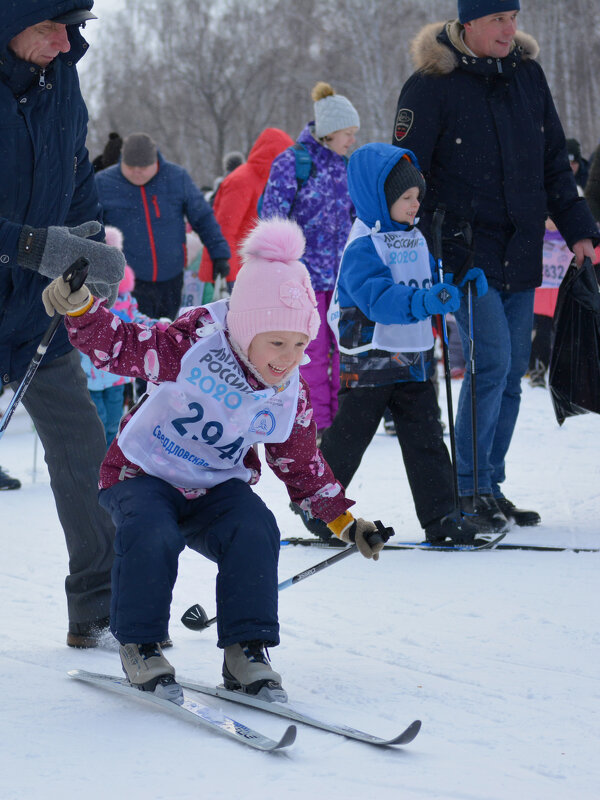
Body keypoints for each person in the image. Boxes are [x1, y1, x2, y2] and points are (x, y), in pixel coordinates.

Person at [42, 217, 385, 703]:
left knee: (255, 528)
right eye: (276, 342)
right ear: (246, 329)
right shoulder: (195, 343)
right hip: (144, 472)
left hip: (215, 488)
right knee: (151, 532)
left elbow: (303, 467)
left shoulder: (287, 391)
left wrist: (346, 522)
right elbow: (124, 347)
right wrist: (81, 308)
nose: (287, 359)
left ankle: (247, 649)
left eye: (299, 344)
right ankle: (141, 644)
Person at [393, 0, 598, 531]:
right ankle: (467, 489)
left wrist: (578, 228)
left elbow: (555, 161)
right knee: (494, 361)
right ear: (468, 26)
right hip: (464, 253)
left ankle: (490, 483)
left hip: (522, 246)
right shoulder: (431, 83)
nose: (510, 29)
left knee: (509, 372)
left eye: (513, 17)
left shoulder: (527, 76)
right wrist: (428, 233)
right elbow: (405, 172)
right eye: (497, 20)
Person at [1, 1, 127, 647]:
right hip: (25, 274)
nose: (65, 40)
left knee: (83, 449)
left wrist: (88, 241)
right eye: (49, 25)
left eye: (72, 25)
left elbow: (76, 169)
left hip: (32, 312)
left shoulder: (61, 78)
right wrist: (41, 248)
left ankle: (99, 610)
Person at [323, 142, 486, 546]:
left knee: (426, 437)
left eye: (417, 197)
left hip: (413, 357)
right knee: (350, 436)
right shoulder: (363, 245)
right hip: (370, 360)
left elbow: (431, 277)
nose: (415, 206)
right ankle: (319, 508)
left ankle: (442, 517)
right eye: (406, 198)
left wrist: (458, 282)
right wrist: (424, 302)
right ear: (380, 198)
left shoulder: (414, 237)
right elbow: (378, 298)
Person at [261, 82, 359, 438]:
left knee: (345, 350)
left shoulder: (347, 167)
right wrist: (277, 270)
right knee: (312, 353)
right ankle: (318, 421)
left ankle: (342, 421)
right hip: (302, 280)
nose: (352, 139)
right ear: (331, 131)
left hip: (343, 279)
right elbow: (271, 219)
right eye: (348, 133)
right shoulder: (292, 163)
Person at [96, 132, 231, 320]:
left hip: (171, 277)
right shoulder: (103, 183)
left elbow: (202, 217)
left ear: (155, 162)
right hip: (128, 281)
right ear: (122, 161)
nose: (137, 171)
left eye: (143, 166)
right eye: (131, 166)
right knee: (134, 336)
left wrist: (219, 254)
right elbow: (92, 228)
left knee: (166, 331)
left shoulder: (177, 178)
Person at [80, 226, 160, 445]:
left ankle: (107, 464)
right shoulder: (84, 296)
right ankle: (95, 462)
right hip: (91, 372)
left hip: (116, 371)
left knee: (114, 422)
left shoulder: (123, 295)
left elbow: (134, 317)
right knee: (97, 422)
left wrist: (154, 326)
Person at [200, 128, 294, 286]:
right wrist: (231, 274)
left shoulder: (268, 180)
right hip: (238, 271)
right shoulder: (241, 181)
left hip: (254, 270)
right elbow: (225, 229)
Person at [528, 219, 575, 388]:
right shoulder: (536, 234)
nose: (552, 222)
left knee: (563, 336)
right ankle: (537, 372)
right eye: (548, 218)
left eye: (556, 218)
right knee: (542, 334)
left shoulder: (570, 234)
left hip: (562, 294)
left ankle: (563, 375)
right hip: (540, 293)